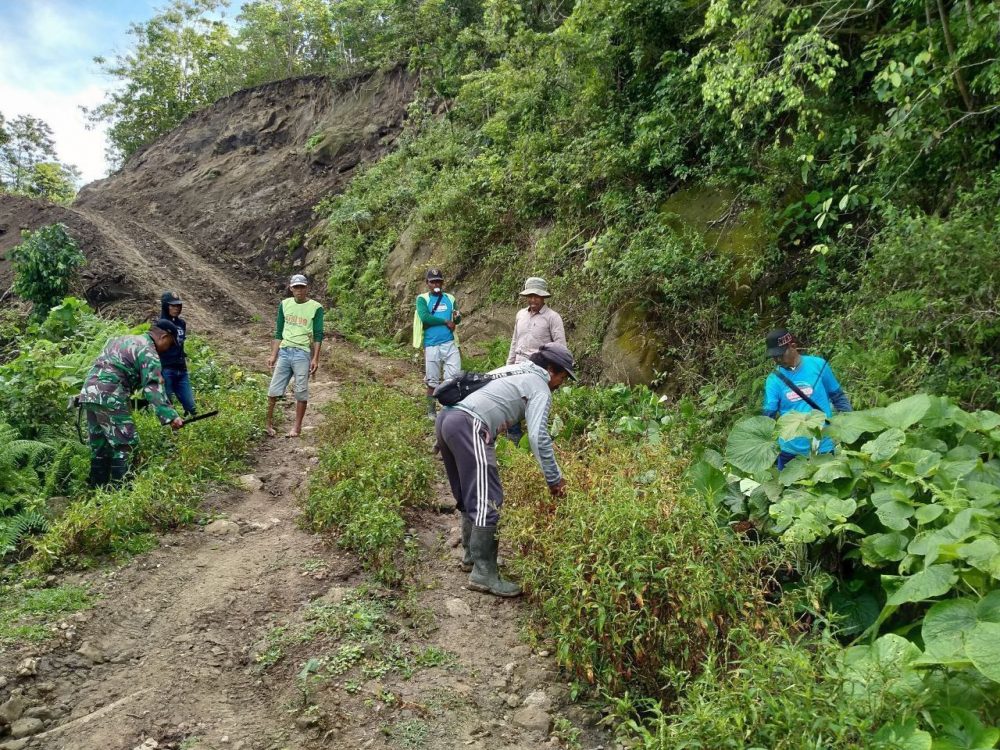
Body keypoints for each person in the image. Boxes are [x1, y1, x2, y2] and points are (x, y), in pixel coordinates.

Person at [435, 342, 576, 597]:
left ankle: (473, 557)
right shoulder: (539, 386)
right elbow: (538, 436)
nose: (560, 385)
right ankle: (484, 574)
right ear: (552, 370)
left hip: (447, 420)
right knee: (489, 500)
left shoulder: (514, 369)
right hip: (469, 426)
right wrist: (555, 479)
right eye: (562, 378)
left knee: (470, 494)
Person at [79, 320, 184, 488]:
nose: (169, 349)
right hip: (110, 395)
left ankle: (97, 495)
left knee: (100, 447)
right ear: (164, 337)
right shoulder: (148, 352)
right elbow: (153, 387)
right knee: (126, 445)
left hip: (89, 393)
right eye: (170, 344)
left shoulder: (121, 339)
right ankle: (122, 494)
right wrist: (171, 416)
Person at [762, 328, 852, 470]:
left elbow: (838, 397)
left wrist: (851, 424)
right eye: (774, 357)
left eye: (780, 355)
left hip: (823, 445)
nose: (777, 360)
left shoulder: (818, 365)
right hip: (790, 449)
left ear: (793, 346)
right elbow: (768, 415)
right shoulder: (773, 380)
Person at [504, 276, 567, 444]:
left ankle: (537, 438)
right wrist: (509, 364)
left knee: (535, 403)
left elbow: (560, 346)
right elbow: (514, 341)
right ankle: (514, 436)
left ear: (544, 297)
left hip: (538, 368)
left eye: (537, 296)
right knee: (513, 400)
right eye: (530, 296)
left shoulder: (553, 317)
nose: (533, 300)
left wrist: (559, 372)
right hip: (518, 363)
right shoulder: (520, 315)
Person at [266, 274, 325, 438]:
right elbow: (279, 331)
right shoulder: (284, 305)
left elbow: (318, 334)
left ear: (307, 288)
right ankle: (268, 424)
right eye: (296, 287)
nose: (299, 290)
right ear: (291, 288)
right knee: (273, 390)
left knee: (301, 391)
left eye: (302, 287)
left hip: (302, 353)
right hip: (285, 351)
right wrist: (273, 355)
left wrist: (315, 358)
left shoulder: (316, 307)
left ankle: (296, 428)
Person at [413, 268, 462, 420]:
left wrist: (457, 317)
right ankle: (431, 410)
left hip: (450, 343)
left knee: (454, 378)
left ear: (442, 282)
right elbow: (425, 317)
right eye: (432, 281)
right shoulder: (422, 299)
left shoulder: (450, 298)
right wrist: (444, 321)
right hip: (432, 345)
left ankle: (449, 410)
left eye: (438, 281)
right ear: (427, 283)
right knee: (432, 381)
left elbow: (456, 319)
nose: (436, 284)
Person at [159, 291, 196, 416]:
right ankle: (170, 431)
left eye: (178, 306)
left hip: (181, 369)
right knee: (167, 403)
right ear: (165, 306)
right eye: (172, 306)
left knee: (191, 406)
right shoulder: (160, 325)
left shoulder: (181, 324)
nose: (176, 308)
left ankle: (191, 429)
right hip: (166, 369)